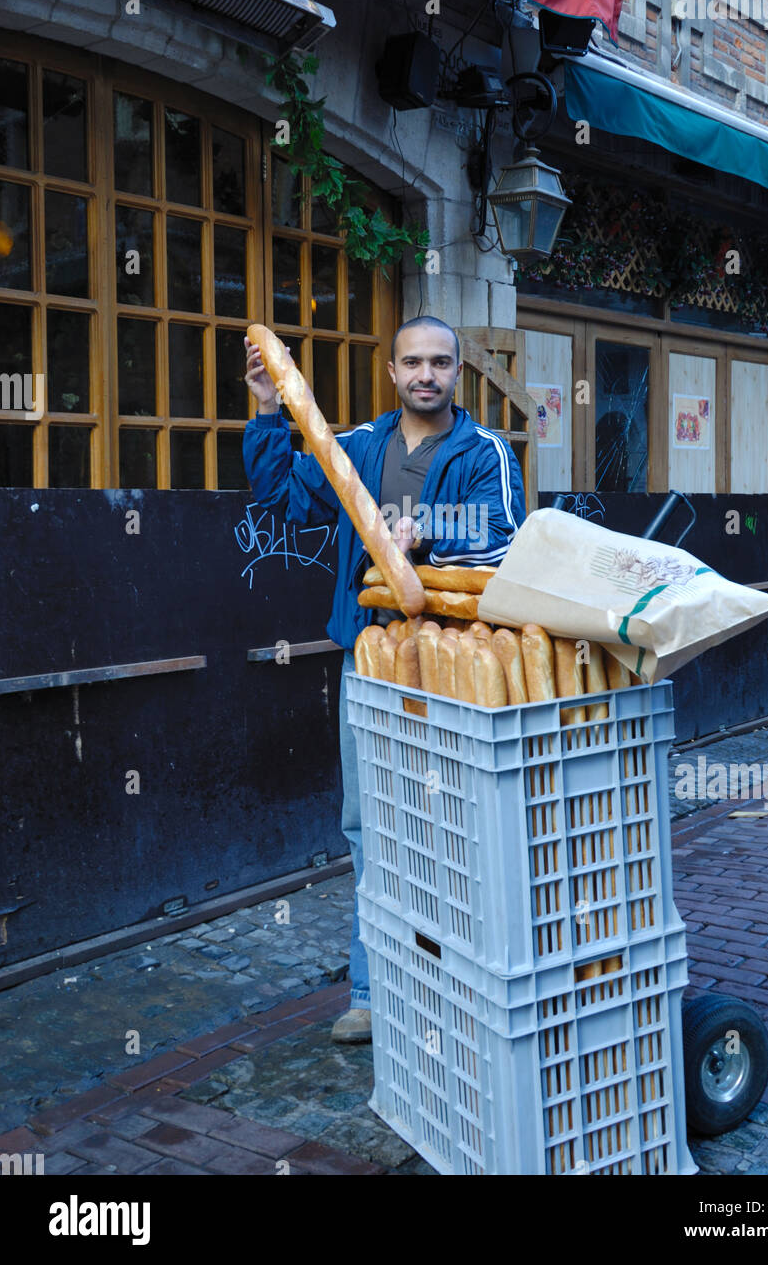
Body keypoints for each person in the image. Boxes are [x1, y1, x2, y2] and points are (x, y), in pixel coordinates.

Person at [242, 316, 526, 1042]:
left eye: (439, 363)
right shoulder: (359, 447)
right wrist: (267, 411)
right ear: (392, 372)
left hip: (454, 661)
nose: (425, 374)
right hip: (368, 658)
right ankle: (373, 992)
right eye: (411, 363)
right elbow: (281, 498)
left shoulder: (485, 449)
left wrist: (424, 530)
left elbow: (505, 539)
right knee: (370, 826)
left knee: (454, 821)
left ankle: (459, 983)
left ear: (458, 373)